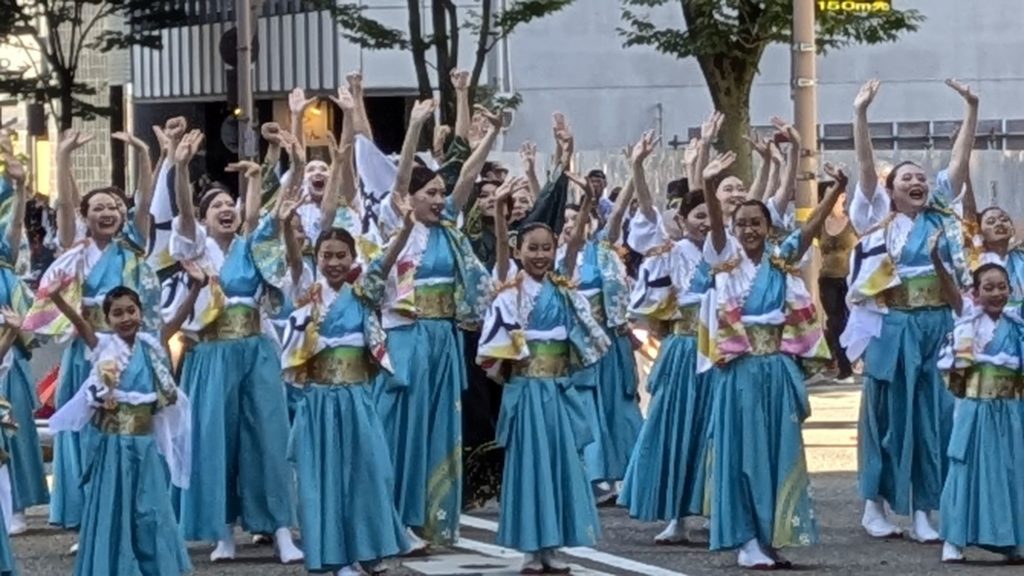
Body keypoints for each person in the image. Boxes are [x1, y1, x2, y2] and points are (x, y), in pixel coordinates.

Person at [845, 78, 977, 541]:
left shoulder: (941, 217)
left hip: (938, 324)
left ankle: (925, 510)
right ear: (890, 190)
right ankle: (874, 505)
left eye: (921, 177)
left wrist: (971, 108)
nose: (917, 182)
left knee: (934, 418)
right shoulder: (876, 220)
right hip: (893, 326)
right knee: (886, 417)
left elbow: (959, 162)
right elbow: (865, 166)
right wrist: (860, 114)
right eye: (907, 178)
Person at [698, 143, 839, 569]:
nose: (749, 230)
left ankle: (771, 533)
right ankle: (745, 538)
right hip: (739, 370)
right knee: (743, 451)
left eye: (756, 223)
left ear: (768, 226)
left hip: (776, 368)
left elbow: (810, 229)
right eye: (741, 223)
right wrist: (708, 183)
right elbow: (716, 225)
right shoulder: (725, 259)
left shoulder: (780, 263)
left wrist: (835, 191)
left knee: (778, 451)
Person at [166, 130, 303, 563]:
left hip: (255, 351)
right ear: (204, 219)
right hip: (211, 354)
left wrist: (290, 164)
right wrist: (182, 167)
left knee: (269, 437)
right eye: (215, 207)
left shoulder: (254, 248)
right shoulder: (196, 248)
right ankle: (222, 530)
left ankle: (280, 529)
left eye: (230, 204)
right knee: (214, 441)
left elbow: (275, 214)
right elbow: (183, 214)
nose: (225, 210)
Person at [24, 130, 162, 541]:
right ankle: (88, 520)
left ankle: (128, 514)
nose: (108, 212)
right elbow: (65, 204)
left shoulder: (132, 248)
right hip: (85, 351)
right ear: (87, 216)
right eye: (98, 207)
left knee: (125, 429)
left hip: (127, 352)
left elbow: (146, 201)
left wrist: (143, 152)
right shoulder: (77, 250)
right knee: (83, 433)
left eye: (114, 206)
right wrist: (63, 156)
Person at [374, 98, 495, 549]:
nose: (440, 200)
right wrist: (414, 127)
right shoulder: (398, 225)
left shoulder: (449, 231)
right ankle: (396, 519)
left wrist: (490, 135)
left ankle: (432, 517)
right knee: (405, 427)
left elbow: (467, 178)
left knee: (440, 425)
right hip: (408, 334)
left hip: (445, 335)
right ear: (410, 199)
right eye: (431, 194)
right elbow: (401, 178)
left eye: (442, 194)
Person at [280, 185, 416, 575]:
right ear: (317, 258)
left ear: (353, 258)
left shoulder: (363, 293)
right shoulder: (307, 293)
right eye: (327, 255)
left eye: (342, 255)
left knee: (369, 473)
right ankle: (336, 557)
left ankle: (369, 551)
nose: (334, 262)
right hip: (319, 401)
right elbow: (293, 262)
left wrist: (406, 228)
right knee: (324, 478)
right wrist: (286, 227)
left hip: (357, 397)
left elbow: (386, 262)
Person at [478, 201, 608, 573]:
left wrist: (587, 203)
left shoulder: (565, 292)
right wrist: (513, 358)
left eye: (546, 248)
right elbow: (492, 348)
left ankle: (552, 544)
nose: (540, 255)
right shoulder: (510, 293)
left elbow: (587, 338)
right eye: (532, 248)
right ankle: (530, 548)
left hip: (558, 389)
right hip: (528, 389)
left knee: (561, 464)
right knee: (530, 465)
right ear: (518, 251)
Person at [47, 286, 194, 576]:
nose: (126, 318)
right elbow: (80, 322)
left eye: (131, 311)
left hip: (144, 443)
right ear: (107, 319)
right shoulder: (103, 347)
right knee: (114, 506)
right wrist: (56, 298)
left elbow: (177, 319)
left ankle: (155, 567)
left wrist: (196, 288)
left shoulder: (151, 345)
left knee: (149, 507)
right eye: (117, 313)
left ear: (140, 312)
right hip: (114, 445)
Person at [618, 137, 713, 543]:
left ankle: (717, 509)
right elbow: (645, 211)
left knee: (714, 431)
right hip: (683, 349)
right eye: (698, 216)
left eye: (711, 215)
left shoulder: (726, 251)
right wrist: (638, 167)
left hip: (721, 351)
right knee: (677, 429)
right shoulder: (670, 253)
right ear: (682, 220)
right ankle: (677, 516)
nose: (706, 222)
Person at [936, 262, 1024, 564]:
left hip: (1011, 410)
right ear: (976, 292)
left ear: (1010, 290)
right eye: (988, 288)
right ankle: (954, 540)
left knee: (1011, 472)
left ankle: (1011, 539)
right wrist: (937, 261)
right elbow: (954, 372)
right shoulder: (967, 324)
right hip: (975, 408)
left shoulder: (1017, 325)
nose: (996, 293)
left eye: (1002, 287)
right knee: (965, 470)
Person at [0, 144, 48, 535]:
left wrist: (19, 188)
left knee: (13, 428)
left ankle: (16, 504)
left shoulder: (3, 264)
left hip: (6, 358)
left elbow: (14, 230)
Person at [817, 180, 858, 383]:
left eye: (837, 194)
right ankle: (844, 367)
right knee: (835, 322)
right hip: (828, 279)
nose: (834, 199)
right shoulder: (819, 223)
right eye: (829, 195)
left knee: (853, 319)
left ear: (843, 197)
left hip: (850, 278)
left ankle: (857, 359)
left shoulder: (854, 220)